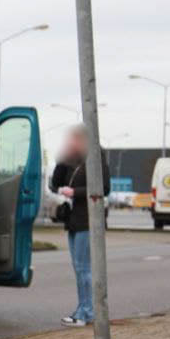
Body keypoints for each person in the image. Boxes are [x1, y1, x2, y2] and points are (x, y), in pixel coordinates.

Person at [50, 125, 109, 327]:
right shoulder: (71, 159)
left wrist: (74, 192)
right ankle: (82, 308)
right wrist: (63, 158)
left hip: (88, 219)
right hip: (72, 219)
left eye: (76, 139)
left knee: (84, 267)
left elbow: (104, 188)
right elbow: (54, 183)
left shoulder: (96, 156)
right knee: (78, 267)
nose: (73, 142)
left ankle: (87, 312)